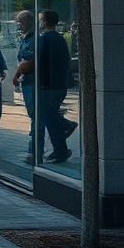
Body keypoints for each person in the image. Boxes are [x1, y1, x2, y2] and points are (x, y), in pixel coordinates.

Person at [36, 9, 78, 163]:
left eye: (40, 19)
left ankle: (67, 124)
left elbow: (38, 63)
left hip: (48, 85)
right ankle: (60, 151)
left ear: (45, 22)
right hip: (61, 85)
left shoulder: (43, 39)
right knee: (51, 118)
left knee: (47, 116)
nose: (39, 22)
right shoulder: (60, 40)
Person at [12, 10, 39, 162]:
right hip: (28, 81)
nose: (18, 24)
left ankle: (33, 150)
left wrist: (16, 75)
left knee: (35, 115)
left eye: (20, 21)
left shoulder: (33, 39)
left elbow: (27, 62)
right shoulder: (26, 38)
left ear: (28, 21)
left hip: (31, 81)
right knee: (35, 115)